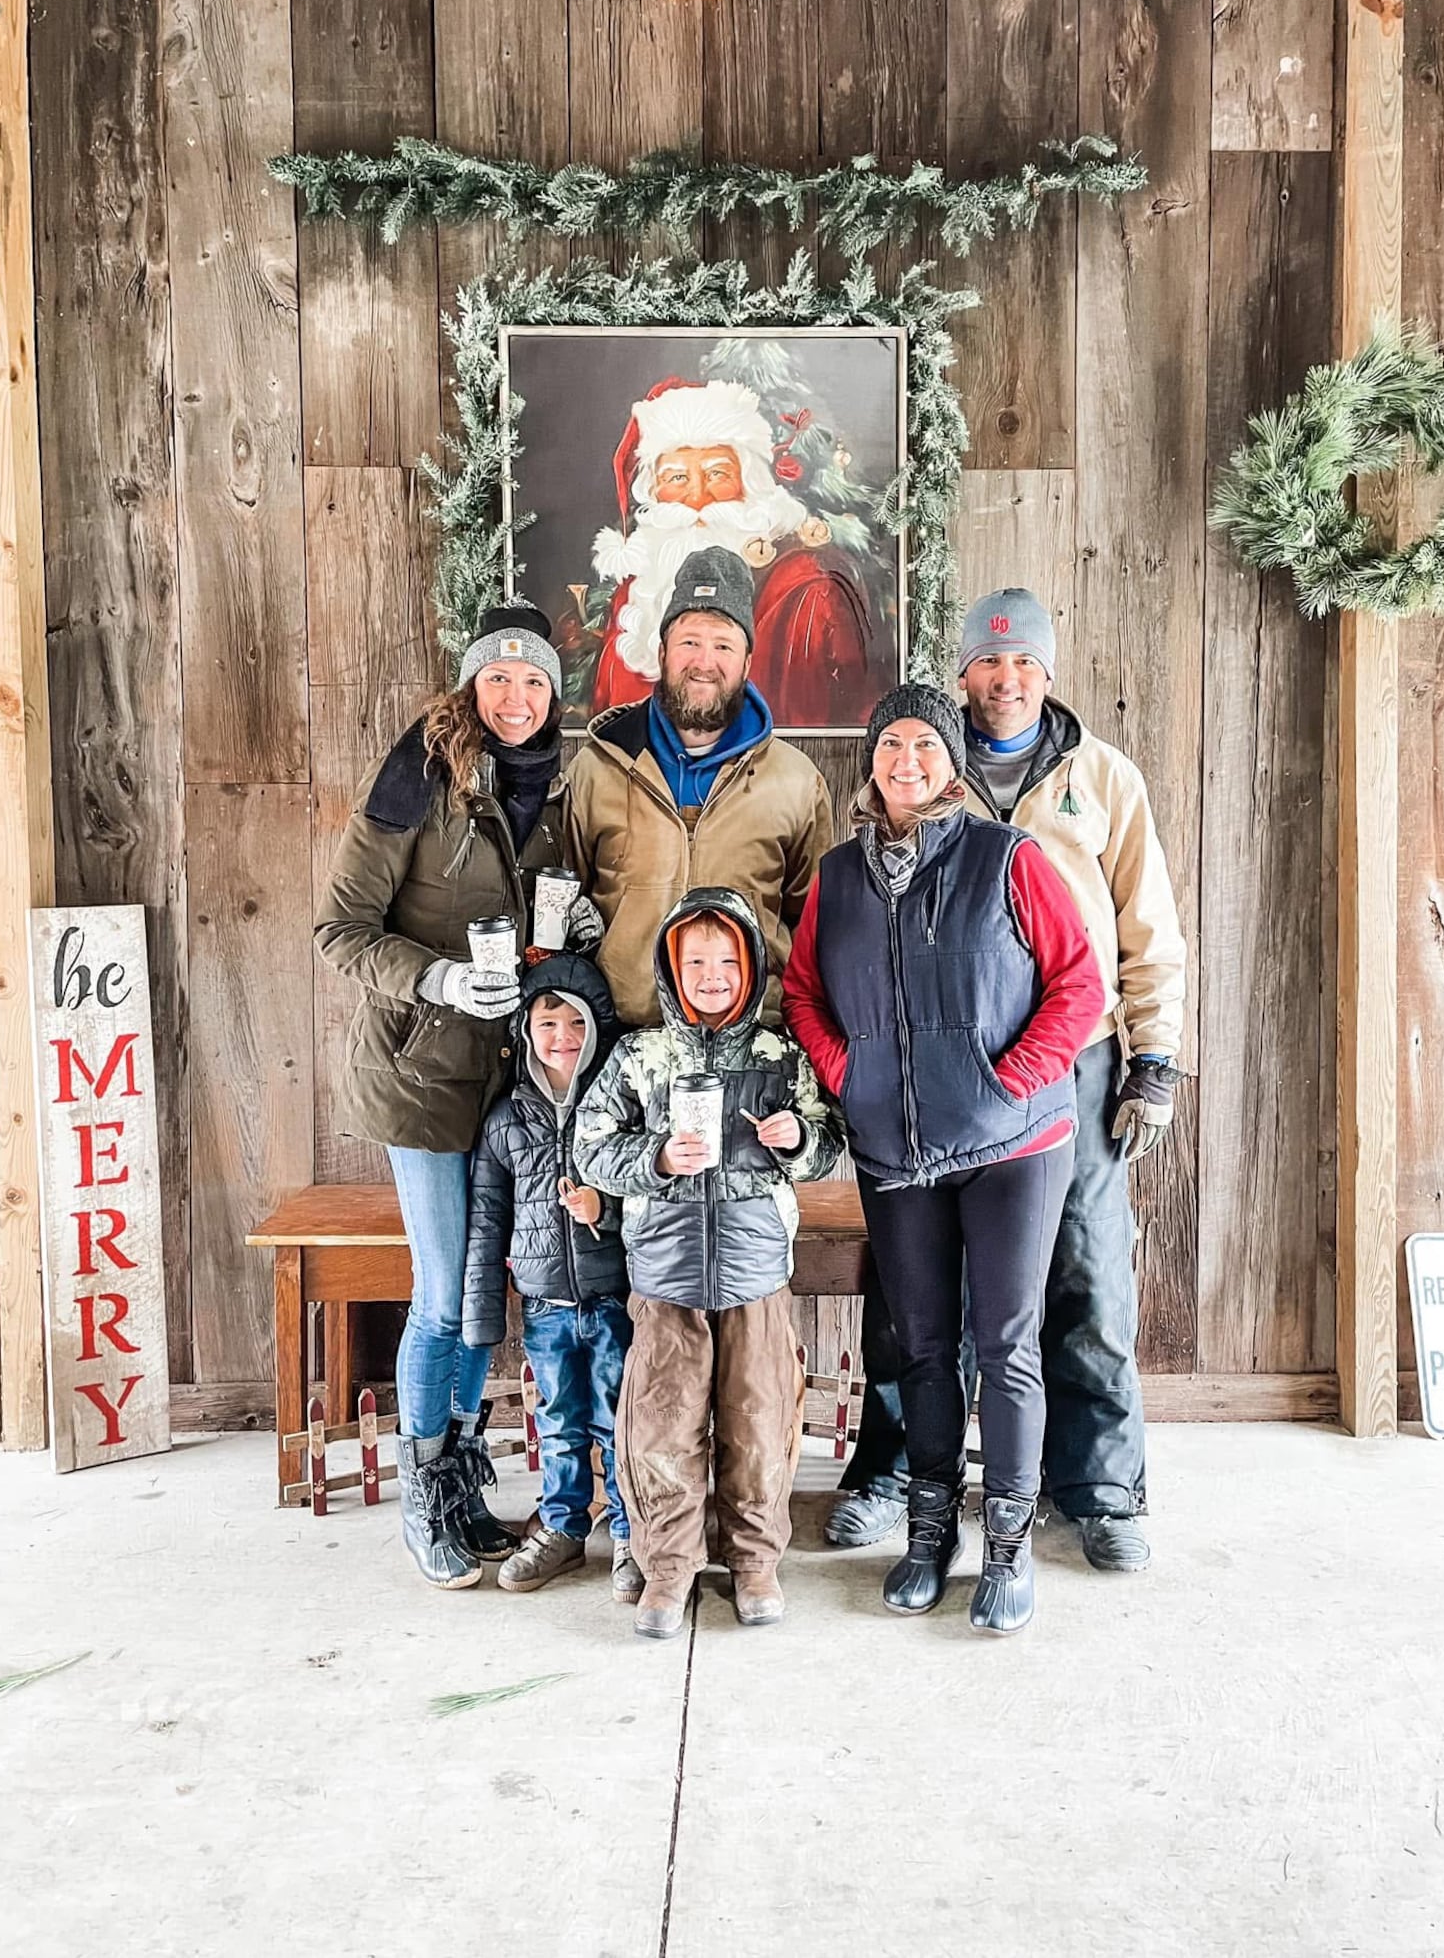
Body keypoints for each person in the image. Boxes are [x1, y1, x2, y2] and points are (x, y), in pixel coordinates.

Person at [823, 590, 1187, 1575]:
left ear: (1047, 673)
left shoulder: (1097, 778)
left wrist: (1152, 1059)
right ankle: (895, 1472)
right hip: (927, 1066)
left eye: (1023, 662)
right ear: (963, 678)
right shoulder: (923, 770)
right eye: (988, 664)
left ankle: (1096, 1489)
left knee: (1083, 1276)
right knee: (913, 1296)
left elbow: (1144, 925)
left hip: (1070, 1064)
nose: (1005, 678)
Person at [783, 687, 1103, 1635]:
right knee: (920, 1348)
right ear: (872, 758)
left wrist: (1013, 1080)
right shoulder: (839, 877)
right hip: (895, 1150)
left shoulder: (1008, 856)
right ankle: (928, 1535)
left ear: (953, 763)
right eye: (891, 741)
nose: (906, 758)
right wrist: (852, 1070)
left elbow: (1080, 982)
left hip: (1014, 1144)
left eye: (926, 742)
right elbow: (803, 988)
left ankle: (1005, 1544)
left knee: (1005, 1343)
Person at [314, 605, 596, 1590]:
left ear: (552, 694)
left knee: (488, 1298)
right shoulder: (418, 779)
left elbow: (562, 908)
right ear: (470, 688)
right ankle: (423, 1499)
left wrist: (583, 921)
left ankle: (466, 1480)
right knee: (442, 1294)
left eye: (533, 682)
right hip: (425, 1079)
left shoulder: (563, 784)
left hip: (516, 1083)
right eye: (497, 680)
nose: (516, 699)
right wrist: (436, 979)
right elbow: (340, 930)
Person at [574, 888, 842, 1640]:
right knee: (662, 1422)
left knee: (759, 1418)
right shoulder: (640, 1054)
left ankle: (755, 1559)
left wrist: (796, 1139)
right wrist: (655, 1156)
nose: (713, 974)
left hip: (756, 1270)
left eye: (728, 959)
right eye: (696, 961)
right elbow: (589, 1146)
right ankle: (669, 1564)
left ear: (751, 966)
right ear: (671, 968)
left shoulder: (778, 1054)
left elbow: (829, 1140)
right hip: (665, 1275)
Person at [565, 543, 834, 1030]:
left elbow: (813, 930)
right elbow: (565, 908)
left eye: (723, 645)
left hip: (752, 1044)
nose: (704, 662)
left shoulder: (797, 783)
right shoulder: (595, 770)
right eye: (690, 642)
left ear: (747, 661)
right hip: (624, 1041)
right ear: (663, 651)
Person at [462, 954, 642, 1604]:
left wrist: (606, 1209)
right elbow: (486, 1219)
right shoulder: (507, 1120)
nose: (562, 1035)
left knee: (620, 1418)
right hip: (544, 1302)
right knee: (559, 1418)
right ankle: (563, 1526)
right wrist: (481, 1315)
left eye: (576, 1021)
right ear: (525, 1028)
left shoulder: (618, 1104)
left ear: (597, 1028)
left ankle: (630, 1532)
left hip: (612, 1295)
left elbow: (657, 1186)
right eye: (547, 1021)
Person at [587, 377, 886, 726]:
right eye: (678, 478)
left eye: (717, 473)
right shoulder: (638, 594)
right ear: (653, 492)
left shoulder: (808, 588)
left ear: (752, 484)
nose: (698, 499)